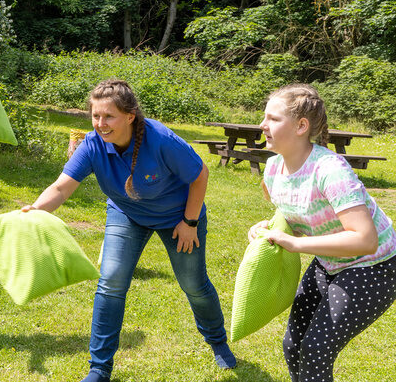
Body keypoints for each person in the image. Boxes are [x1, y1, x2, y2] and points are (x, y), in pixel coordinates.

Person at [23, 79, 235, 382]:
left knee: (193, 284)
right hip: (127, 213)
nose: (100, 123)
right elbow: (61, 187)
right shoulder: (92, 144)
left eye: (108, 116)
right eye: (95, 116)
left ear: (130, 116)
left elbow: (200, 174)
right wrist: (36, 209)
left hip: (178, 217)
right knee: (110, 281)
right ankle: (99, 368)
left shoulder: (160, 139)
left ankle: (218, 342)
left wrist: (189, 223)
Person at [248, 84, 396, 382]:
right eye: (264, 117)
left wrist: (295, 244)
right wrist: (269, 227)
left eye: (273, 119)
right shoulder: (274, 168)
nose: (263, 125)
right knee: (293, 345)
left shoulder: (331, 170)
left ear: (301, 126)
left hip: (373, 266)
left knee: (316, 348)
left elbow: (364, 239)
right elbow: (291, 211)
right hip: (329, 262)